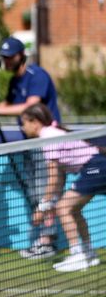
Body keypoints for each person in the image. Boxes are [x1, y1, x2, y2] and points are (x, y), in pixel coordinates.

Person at [0, 36, 62, 259]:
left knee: (45, 191)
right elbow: (9, 105)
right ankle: (42, 239)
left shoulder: (37, 76)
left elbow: (31, 107)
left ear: (21, 55)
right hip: (29, 145)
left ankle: (48, 241)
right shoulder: (15, 81)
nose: (6, 61)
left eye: (9, 56)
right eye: (3, 57)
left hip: (46, 144)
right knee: (34, 192)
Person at [20, 103, 103, 272]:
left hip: (96, 167)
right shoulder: (52, 134)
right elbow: (59, 179)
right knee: (73, 209)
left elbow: (53, 178)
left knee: (64, 208)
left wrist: (42, 206)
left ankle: (77, 255)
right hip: (99, 166)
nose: (23, 127)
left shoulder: (48, 137)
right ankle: (88, 253)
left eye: (24, 123)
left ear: (35, 122)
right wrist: (49, 203)